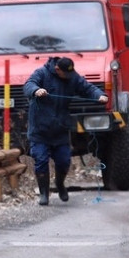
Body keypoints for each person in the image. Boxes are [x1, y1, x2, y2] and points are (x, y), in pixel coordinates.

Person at [22, 57, 108, 205]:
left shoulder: (72, 77)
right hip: (40, 130)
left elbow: (87, 88)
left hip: (60, 130)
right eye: (65, 74)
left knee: (63, 161)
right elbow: (29, 85)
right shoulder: (42, 73)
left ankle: (60, 184)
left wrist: (100, 95)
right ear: (57, 70)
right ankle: (44, 193)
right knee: (41, 160)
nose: (69, 77)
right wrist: (36, 90)